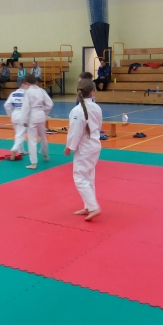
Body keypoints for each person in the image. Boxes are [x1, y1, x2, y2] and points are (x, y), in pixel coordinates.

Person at [64, 79, 103, 221]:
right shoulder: (96, 107)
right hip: (94, 145)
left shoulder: (77, 110)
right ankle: (88, 206)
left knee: (80, 177)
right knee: (89, 177)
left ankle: (93, 207)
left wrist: (69, 147)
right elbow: (99, 126)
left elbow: (75, 132)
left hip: (85, 148)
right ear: (92, 92)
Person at [20, 74, 53, 169]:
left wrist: (24, 120)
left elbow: (25, 107)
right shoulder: (41, 90)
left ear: (27, 83)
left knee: (32, 140)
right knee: (43, 137)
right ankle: (45, 154)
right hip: (41, 115)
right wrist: (43, 111)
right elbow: (50, 104)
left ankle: (34, 163)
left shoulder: (27, 92)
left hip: (32, 116)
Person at [4, 80, 29, 157]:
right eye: (27, 84)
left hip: (14, 114)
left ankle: (21, 151)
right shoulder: (27, 94)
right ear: (23, 84)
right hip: (23, 115)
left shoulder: (13, 93)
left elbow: (6, 105)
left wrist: (10, 114)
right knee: (20, 135)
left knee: (18, 134)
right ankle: (14, 150)